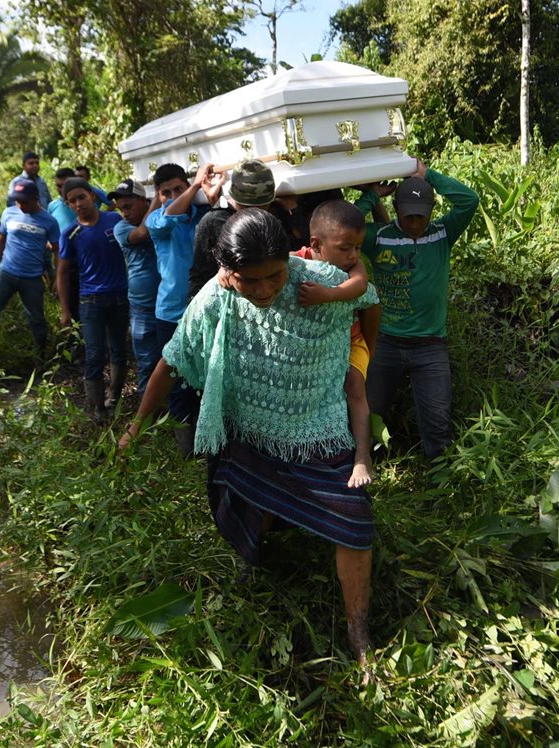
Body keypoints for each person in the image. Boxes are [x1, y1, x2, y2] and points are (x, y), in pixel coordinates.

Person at [119, 209, 379, 670]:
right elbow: (172, 359)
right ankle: (253, 566)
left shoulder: (318, 280)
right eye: (248, 280)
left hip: (318, 430)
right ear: (227, 271)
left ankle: (360, 638)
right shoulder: (216, 295)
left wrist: (367, 351)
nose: (262, 291)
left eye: (274, 276)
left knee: (356, 525)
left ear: (288, 259)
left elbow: (369, 295)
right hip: (250, 431)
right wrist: (135, 424)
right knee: (247, 508)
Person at [357, 158, 479, 460]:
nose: (414, 224)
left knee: (437, 423)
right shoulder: (380, 236)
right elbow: (346, 226)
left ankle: (441, 481)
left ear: (431, 213)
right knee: (368, 413)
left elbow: (469, 200)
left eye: (421, 217)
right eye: (408, 217)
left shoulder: (442, 234)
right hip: (385, 342)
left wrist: (428, 175)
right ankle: (368, 466)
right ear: (397, 210)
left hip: (430, 346)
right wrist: (372, 195)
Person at [292, 200, 381, 488]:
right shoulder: (296, 261)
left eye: (358, 246)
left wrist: (327, 294)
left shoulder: (355, 268)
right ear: (316, 244)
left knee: (354, 386)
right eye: (345, 248)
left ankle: (362, 458)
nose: (353, 255)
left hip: (351, 339)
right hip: (313, 348)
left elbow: (362, 288)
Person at [145, 162, 224, 453]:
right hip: (170, 313)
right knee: (177, 381)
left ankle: (208, 445)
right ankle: (185, 450)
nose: (173, 195)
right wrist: (194, 186)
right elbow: (169, 214)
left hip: (205, 310)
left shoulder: (203, 215)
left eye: (179, 188)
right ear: (158, 195)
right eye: (167, 192)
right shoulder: (156, 219)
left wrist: (211, 197)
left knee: (206, 377)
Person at [58, 177, 129, 420]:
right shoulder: (71, 233)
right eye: (72, 201)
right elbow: (62, 271)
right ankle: (97, 408)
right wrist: (65, 310)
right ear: (68, 205)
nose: (79, 204)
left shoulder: (114, 220)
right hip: (90, 301)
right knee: (95, 354)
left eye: (82, 197)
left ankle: (115, 397)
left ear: (92, 196)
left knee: (119, 350)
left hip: (120, 297)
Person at [0, 180, 60, 366]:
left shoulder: (49, 221)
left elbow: (57, 250)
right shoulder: (9, 213)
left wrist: (56, 277)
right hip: (6, 273)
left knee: (36, 319)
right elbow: (1, 240)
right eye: (17, 201)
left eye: (24, 201)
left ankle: (40, 358)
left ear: (35, 199)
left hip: (32, 278)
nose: (20, 205)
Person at [189, 160, 279, 297]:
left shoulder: (273, 215)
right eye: (248, 208)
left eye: (264, 207)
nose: (257, 213)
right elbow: (198, 277)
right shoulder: (214, 221)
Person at [110, 179, 162, 399]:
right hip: (141, 307)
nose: (124, 213)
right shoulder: (121, 228)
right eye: (121, 209)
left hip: (167, 304)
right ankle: (146, 416)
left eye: (128, 207)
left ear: (143, 200)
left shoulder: (161, 218)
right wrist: (157, 201)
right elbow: (143, 233)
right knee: (146, 363)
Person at [48, 167, 80, 325]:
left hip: (85, 263)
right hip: (66, 264)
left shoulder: (84, 203)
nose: (62, 190)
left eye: (65, 185)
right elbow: (52, 242)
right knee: (72, 310)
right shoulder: (52, 207)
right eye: (58, 186)